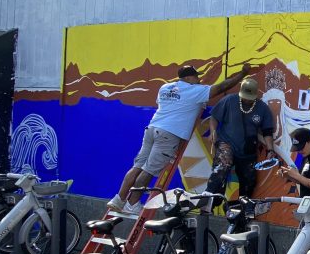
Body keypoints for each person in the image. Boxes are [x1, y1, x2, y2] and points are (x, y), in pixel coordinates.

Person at [107, 63, 250, 214]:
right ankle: (133, 204)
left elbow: (175, 104)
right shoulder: (194, 91)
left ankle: (119, 199)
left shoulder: (164, 88)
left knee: (137, 167)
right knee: (148, 170)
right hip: (168, 134)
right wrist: (242, 74)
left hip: (152, 129)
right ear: (188, 78)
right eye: (196, 77)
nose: (198, 79)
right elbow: (221, 87)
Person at [205, 77, 275, 206]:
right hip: (227, 142)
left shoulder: (262, 108)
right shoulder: (229, 100)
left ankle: (241, 207)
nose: (247, 99)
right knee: (222, 167)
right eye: (245, 96)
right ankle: (209, 201)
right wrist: (213, 131)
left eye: (250, 97)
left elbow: (267, 131)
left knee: (249, 179)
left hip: (247, 148)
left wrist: (270, 149)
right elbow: (214, 117)